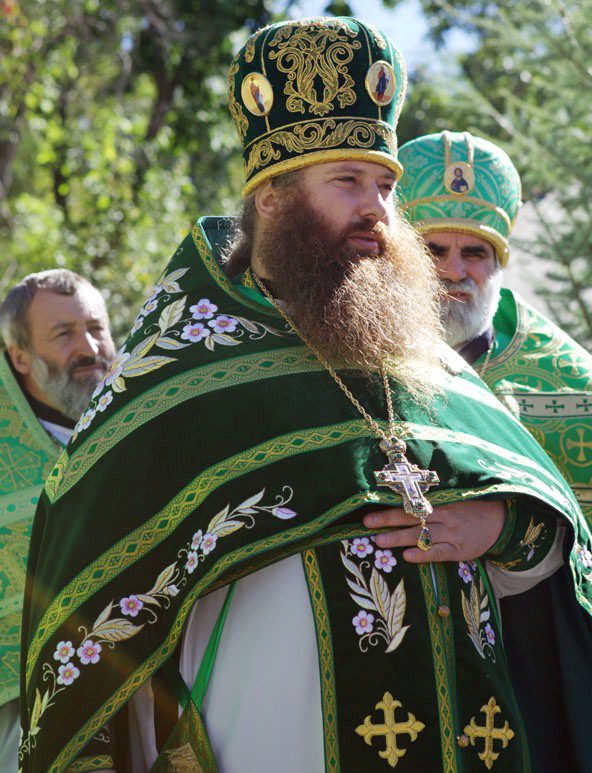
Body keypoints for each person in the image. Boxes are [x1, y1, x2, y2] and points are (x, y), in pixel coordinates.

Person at [19, 20, 591, 773]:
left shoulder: (425, 361)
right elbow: (90, 605)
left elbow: (553, 536)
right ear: (272, 196)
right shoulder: (180, 374)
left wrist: (502, 526)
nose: (378, 210)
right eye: (347, 182)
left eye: (385, 186)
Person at [398, 130, 592, 772]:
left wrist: (512, 530)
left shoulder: (570, 387)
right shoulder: (350, 352)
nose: (454, 271)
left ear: (499, 262)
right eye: (434, 250)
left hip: (527, 679)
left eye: (475, 252)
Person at [0, 269, 115, 772]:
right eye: (64, 334)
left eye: (97, 328)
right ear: (20, 357)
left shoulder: (149, 425)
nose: (89, 348)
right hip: (20, 709)